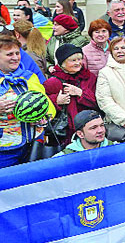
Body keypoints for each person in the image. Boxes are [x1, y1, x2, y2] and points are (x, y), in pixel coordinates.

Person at [0, 35, 56, 168]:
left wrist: (44, 116)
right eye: (9, 54)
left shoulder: (29, 76)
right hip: (5, 150)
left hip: (34, 145)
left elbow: (45, 103)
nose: (15, 57)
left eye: (17, 53)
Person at [43, 44, 98, 144]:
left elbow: (97, 102)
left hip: (89, 127)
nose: (78, 63)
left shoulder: (89, 77)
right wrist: (56, 100)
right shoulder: (53, 81)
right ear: (62, 63)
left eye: (80, 59)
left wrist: (80, 93)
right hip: (64, 132)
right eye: (73, 60)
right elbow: (42, 102)